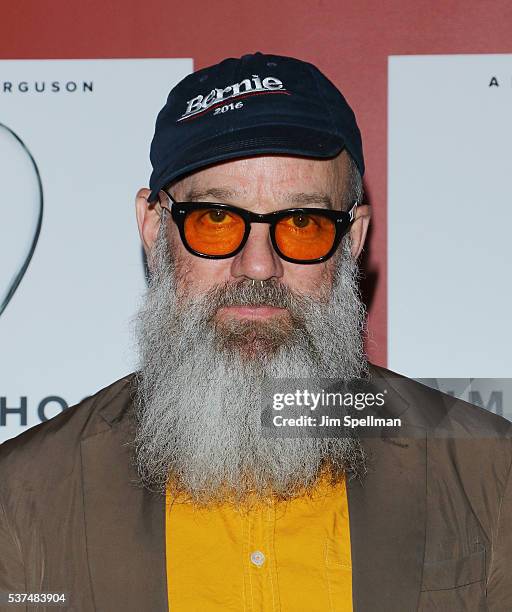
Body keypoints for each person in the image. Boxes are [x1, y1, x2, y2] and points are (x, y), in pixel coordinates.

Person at [0, 52, 511, 612]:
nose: (260, 265)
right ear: (152, 228)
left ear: (355, 237)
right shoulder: (23, 497)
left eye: (302, 223)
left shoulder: (489, 478)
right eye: (216, 219)